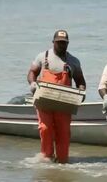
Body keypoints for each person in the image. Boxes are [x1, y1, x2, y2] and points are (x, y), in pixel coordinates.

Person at [27, 29, 86, 163]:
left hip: (64, 104)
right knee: (45, 129)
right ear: (53, 42)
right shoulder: (42, 57)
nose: (61, 45)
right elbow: (32, 72)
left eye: (64, 43)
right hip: (44, 102)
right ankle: (46, 160)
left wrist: (81, 92)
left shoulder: (73, 61)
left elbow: (80, 81)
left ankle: (62, 162)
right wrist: (32, 83)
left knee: (64, 133)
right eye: (59, 42)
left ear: (68, 44)